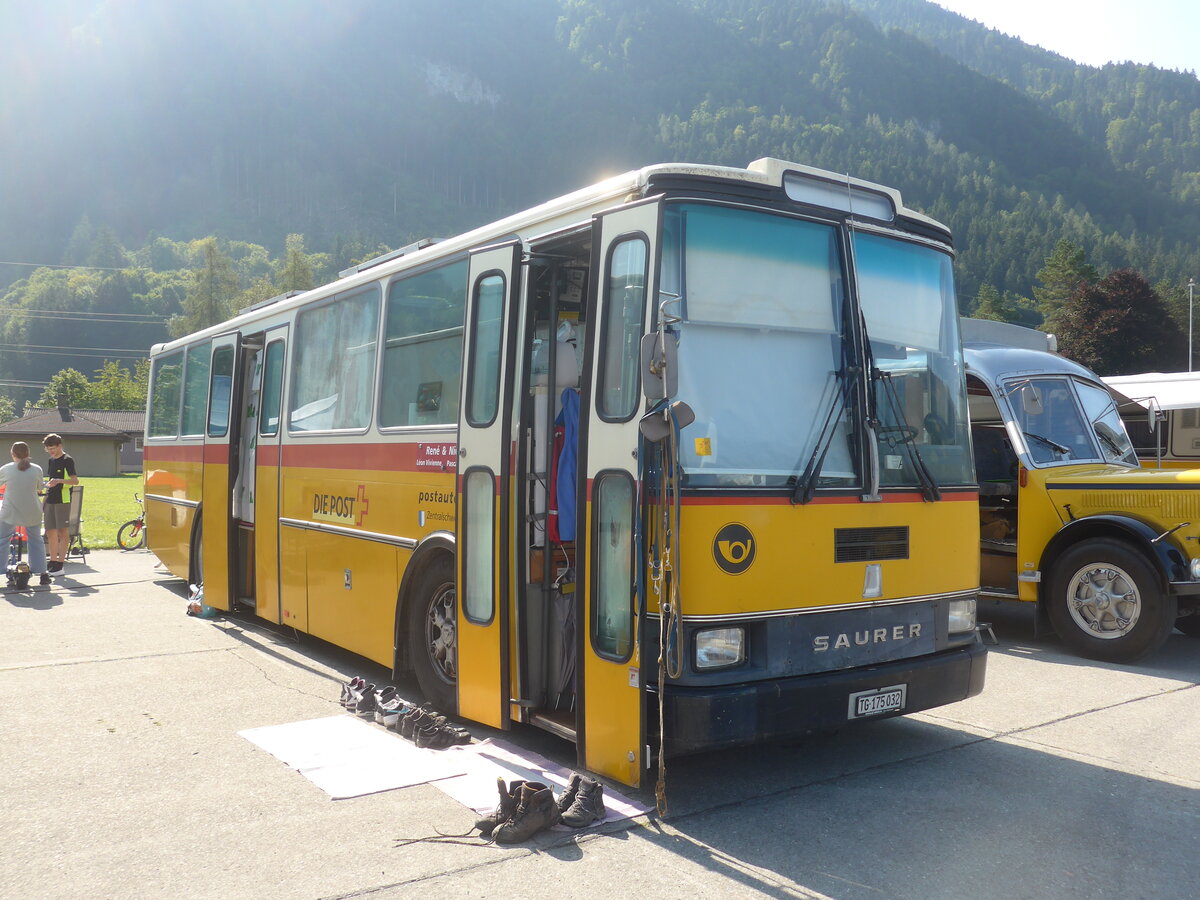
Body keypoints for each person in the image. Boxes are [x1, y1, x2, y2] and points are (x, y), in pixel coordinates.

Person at [1, 441, 50, 587]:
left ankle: (1, 569)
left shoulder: (6, 469)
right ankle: (42, 573)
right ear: (28, 454)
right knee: (36, 540)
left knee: (2, 539)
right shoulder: (37, 469)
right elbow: (40, 488)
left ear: (12, 454)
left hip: (11, 510)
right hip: (32, 511)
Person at [42, 433, 78, 574]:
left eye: (53, 448)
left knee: (63, 532)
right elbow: (51, 480)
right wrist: (43, 501)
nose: (51, 451)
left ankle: (60, 564)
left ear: (60, 446)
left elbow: (75, 481)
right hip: (50, 499)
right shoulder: (51, 460)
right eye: (48, 449)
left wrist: (59, 481)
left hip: (63, 500)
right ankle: (52, 561)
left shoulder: (67, 460)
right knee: (50, 531)